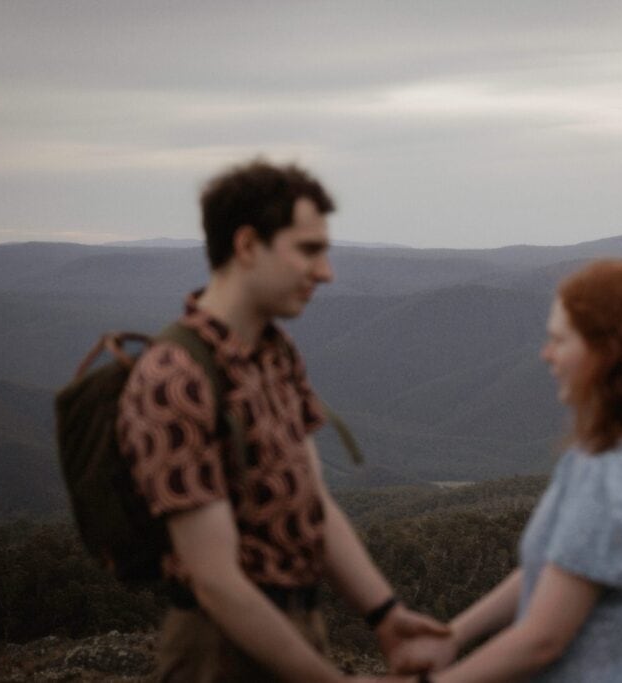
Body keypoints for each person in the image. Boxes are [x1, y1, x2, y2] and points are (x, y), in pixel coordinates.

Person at [116, 158, 447, 681]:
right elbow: (216, 583)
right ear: (247, 246)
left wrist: (385, 615)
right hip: (219, 650)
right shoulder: (175, 377)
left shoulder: (276, 353)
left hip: (298, 625)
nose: (326, 272)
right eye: (309, 250)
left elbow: (313, 502)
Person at [390, 260, 622, 682]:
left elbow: (542, 640)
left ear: (606, 353)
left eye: (559, 339)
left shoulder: (614, 478)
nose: (546, 354)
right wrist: (454, 634)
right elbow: (555, 567)